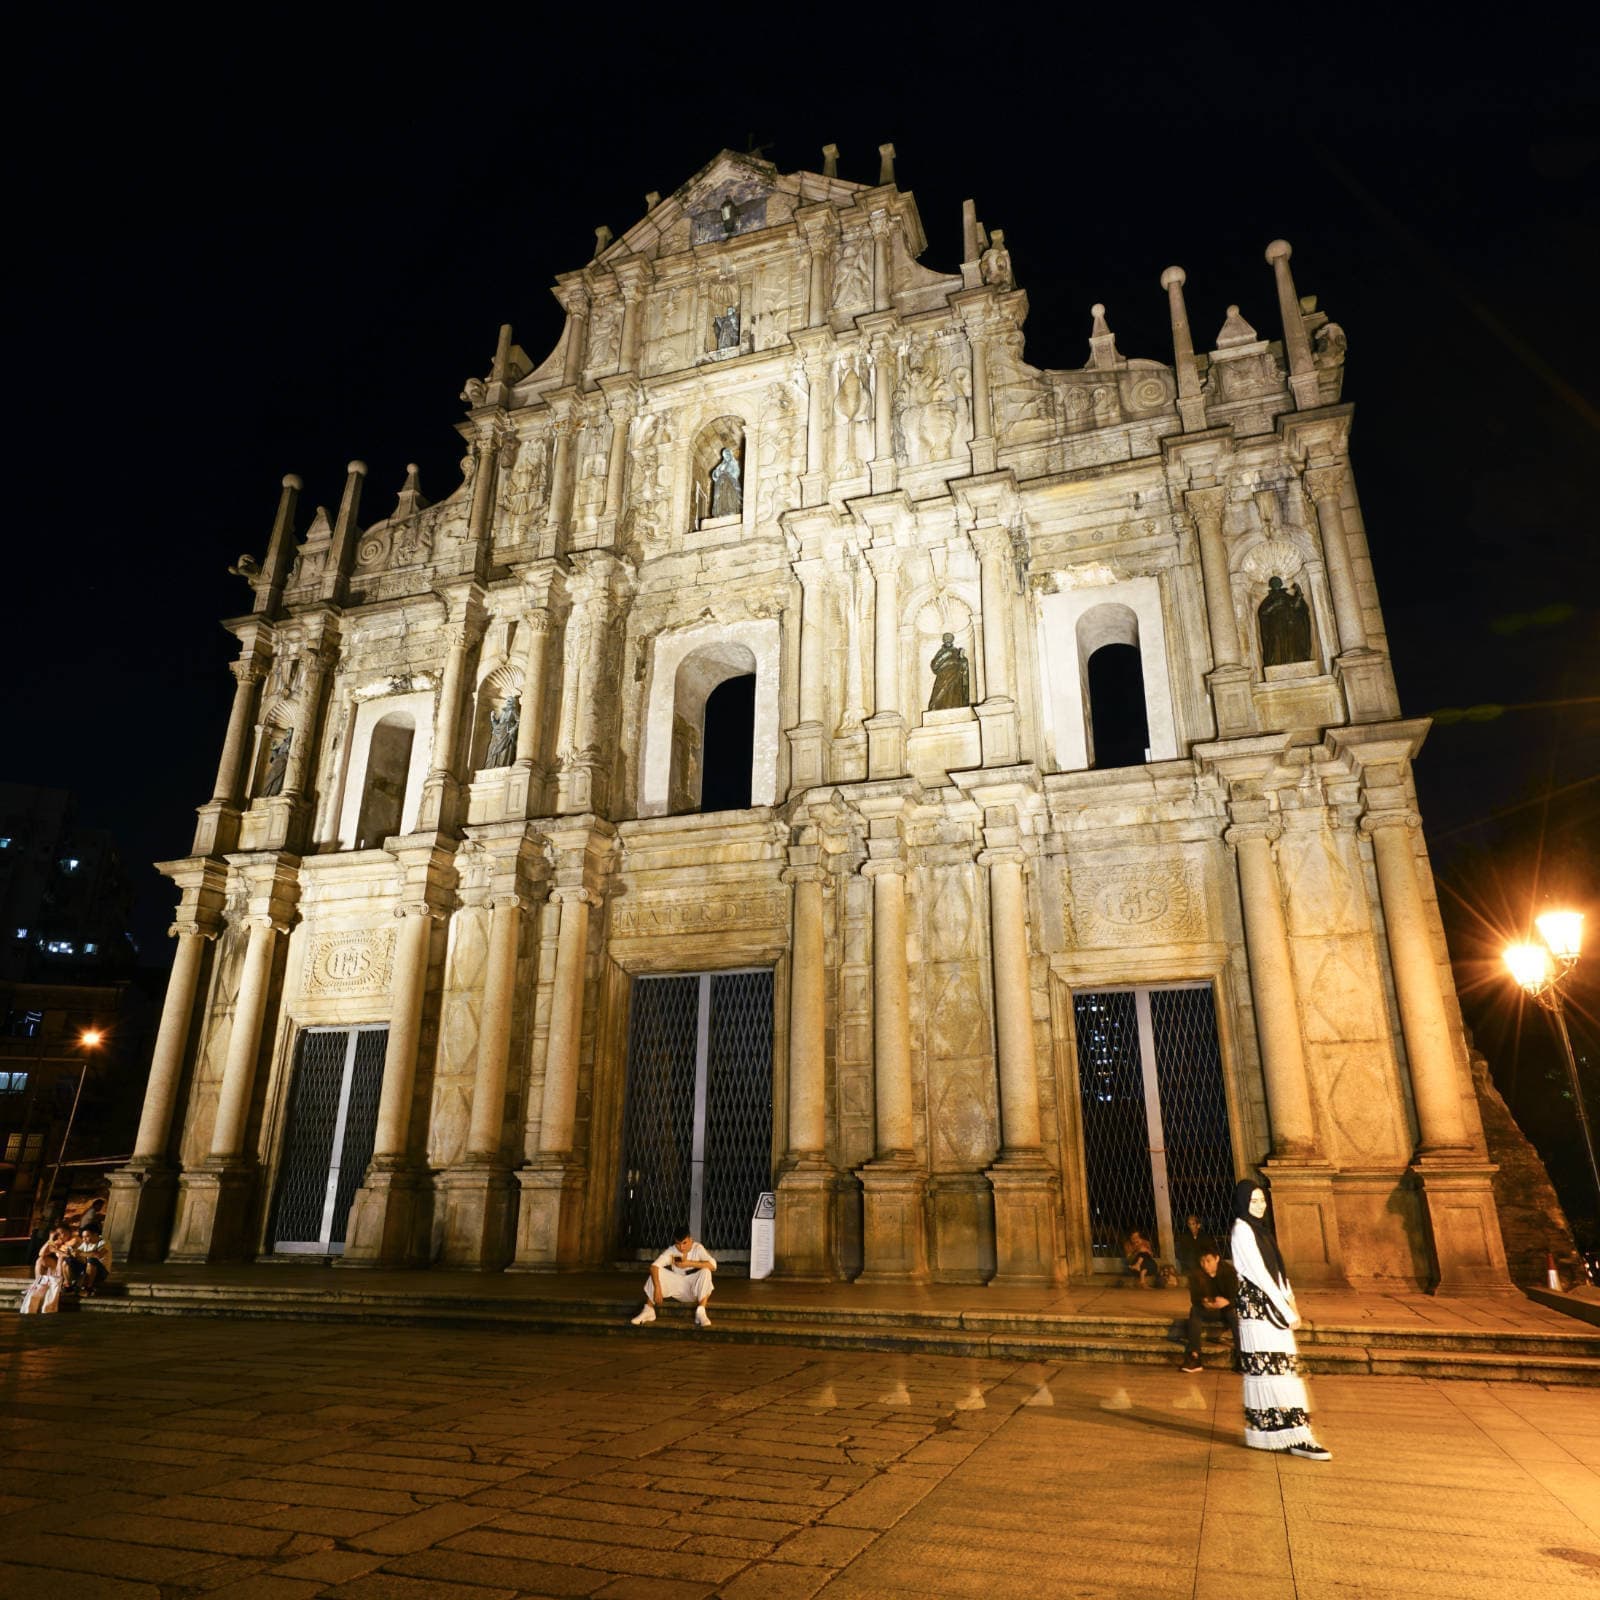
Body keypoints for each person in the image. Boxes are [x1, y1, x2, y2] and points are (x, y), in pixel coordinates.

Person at [1229, 1179, 1331, 1460]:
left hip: (1271, 1307)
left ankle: (1282, 1433)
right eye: (1254, 1201)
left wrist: (1291, 1301)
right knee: (1274, 1371)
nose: (1260, 1205)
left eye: (1262, 1200)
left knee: (1281, 1370)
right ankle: (1296, 1435)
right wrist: (1286, 1311)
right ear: (1243, 1203)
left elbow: (1277, 1272)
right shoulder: (1242, 1229)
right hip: (1259, 1310)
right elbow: (1259, 1275)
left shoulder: (1261, 1231)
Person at [631, 1226, 717, 1328]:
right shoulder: (672, 1250)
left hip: (695, 1289)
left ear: (690, 1240)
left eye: (684, 1243)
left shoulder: (698, 1248)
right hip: (678, 1285)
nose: (681, 1247)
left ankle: (701, 1311)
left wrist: (689, 1263)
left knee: (706, 1272)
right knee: (657, 1272)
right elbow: (654, 1266)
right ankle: (649, 1310)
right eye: (678, 1244)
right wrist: (657, 1288)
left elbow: (713, 1265)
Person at [1180, 1242, 1239, 1373]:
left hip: (1226, 1309)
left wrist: (1227, 1302)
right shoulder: (1196, 1274)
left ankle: (1242, 1356)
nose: (1205, 1265)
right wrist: (1204, 1301)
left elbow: (1237, 1297)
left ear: (1216, 1258)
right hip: (1207, 1309)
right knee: (1195, 1311)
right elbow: (1194, 1299)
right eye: (1202, 1261)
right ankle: (1195, 1356)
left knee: (1234, 1315)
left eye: (1208, 1261)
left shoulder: (1229, 1272)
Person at [19, 1248, 70, 1314]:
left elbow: (67, 1255)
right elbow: (41, 1253)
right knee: (40, 1260)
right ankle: (38, 1284)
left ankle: (46, 1307)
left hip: (63, 1268)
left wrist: (60, 1255)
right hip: (50, 1272)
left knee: (54, 1283)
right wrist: (55, 1248)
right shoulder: (52, 1247)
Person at [73, 1219, 114, 1296]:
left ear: (95, 1234)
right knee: (69, 1260)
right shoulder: (86, 1243)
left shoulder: (104, 1242)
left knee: (92, 1260)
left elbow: (97, 1255)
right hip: (88, 1269)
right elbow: (76, 1252)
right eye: (83, 1237)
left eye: (87, 1236)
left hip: (101, 1272)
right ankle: (68, 1285)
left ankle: (88, 1287)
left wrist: (81, 1253)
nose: (84, 1239)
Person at [1175, 1213, 1206, 1278]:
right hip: (1188, 1264)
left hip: (1201, 1263)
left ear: (1198, 1225)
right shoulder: (1184, 1237)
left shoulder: (1204, 1237)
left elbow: (1207, 1249)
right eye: (1189, 1224)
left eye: (1193, 1224)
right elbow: (1179, 1251)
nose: (1191, 1226)